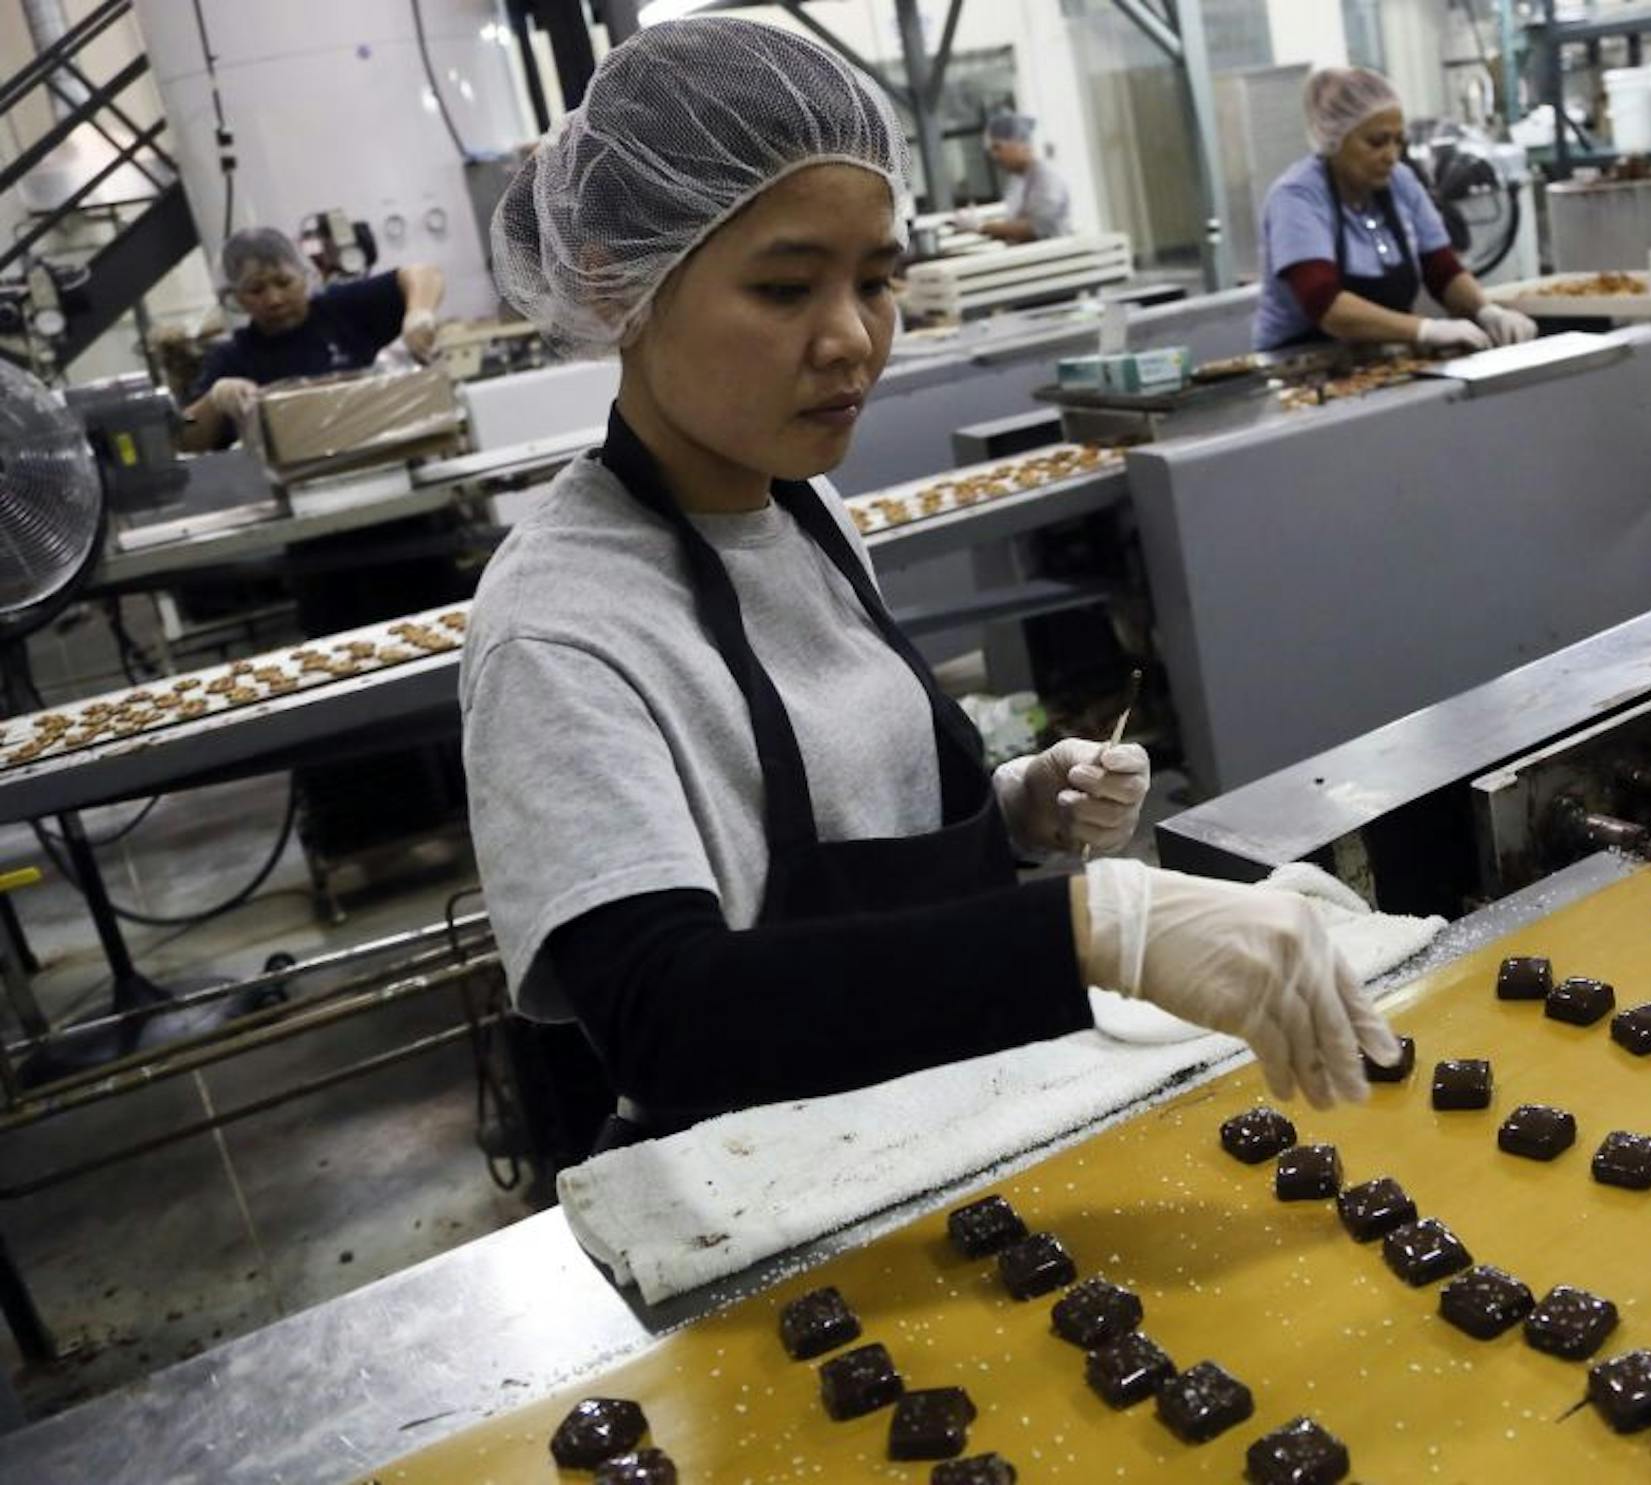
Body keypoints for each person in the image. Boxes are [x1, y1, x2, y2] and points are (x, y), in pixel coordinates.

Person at [465, 17, 1396, 1150]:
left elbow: (826, 848)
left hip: (940, 1124)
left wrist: (1010, 816)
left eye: (878, 280)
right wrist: (1099, 926)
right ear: (620, 287)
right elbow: (669, 1016)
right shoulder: (560, 628)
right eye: (784, 288)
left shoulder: (801, 509)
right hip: (769, 1197)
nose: (852, 339)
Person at [1253, 67, 1538, 354]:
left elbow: (1442, 270)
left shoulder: (1400, 181)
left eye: (1398, 141)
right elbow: (1326, 306)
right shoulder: (1297, 197)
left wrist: (1486, 311)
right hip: (1300, 365)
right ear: (1334, 139)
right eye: (1376, 142)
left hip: (1376, 358)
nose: (1391, 155)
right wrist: (1425, 329)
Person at [179, 227, 446, 452]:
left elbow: (423, 274)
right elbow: (186, 438)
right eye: (256, 290)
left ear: (305, 277)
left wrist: (419, 312)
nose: (274, 299)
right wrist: (214, 402)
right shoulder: (235, 356)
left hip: (384, 460)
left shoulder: (343, 309)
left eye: (284, 283)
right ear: (235, 297)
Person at [958, 111, 1071, 243]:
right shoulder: (1018, 180)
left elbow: (1038, 227)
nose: (994, 156)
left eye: (998, 147)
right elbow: (1014, 225)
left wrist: (981, 226)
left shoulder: (1046, 178)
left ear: (1020, 143)